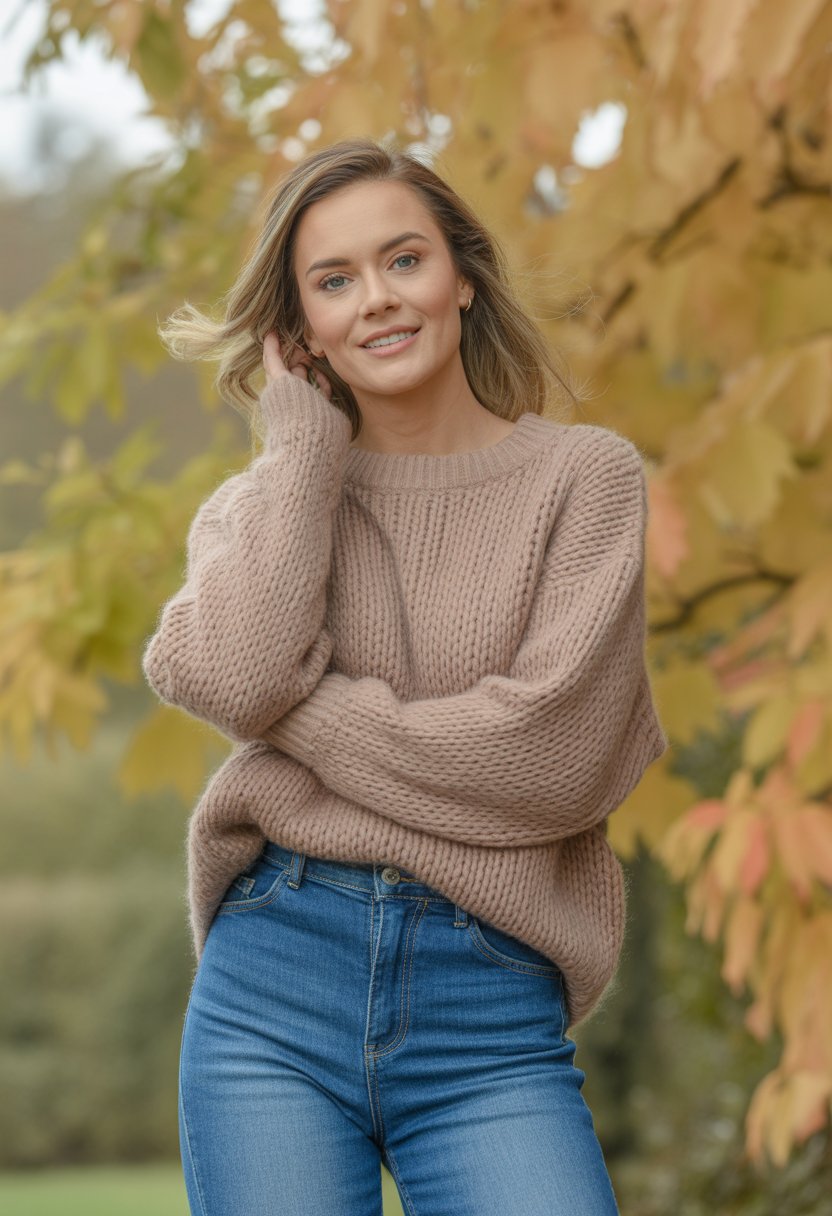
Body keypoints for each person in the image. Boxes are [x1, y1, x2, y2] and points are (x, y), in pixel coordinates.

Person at [143, 136, 668, 1216]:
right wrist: (302, 450)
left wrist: (302, 708)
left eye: (403, 260)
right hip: (272, 982)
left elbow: (547, 760)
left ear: (461, 277)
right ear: (299, 332)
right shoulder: (261, 509)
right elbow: (239, 679)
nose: (376, 299)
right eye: (332, 281)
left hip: (490, 1008)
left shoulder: (583, 480)